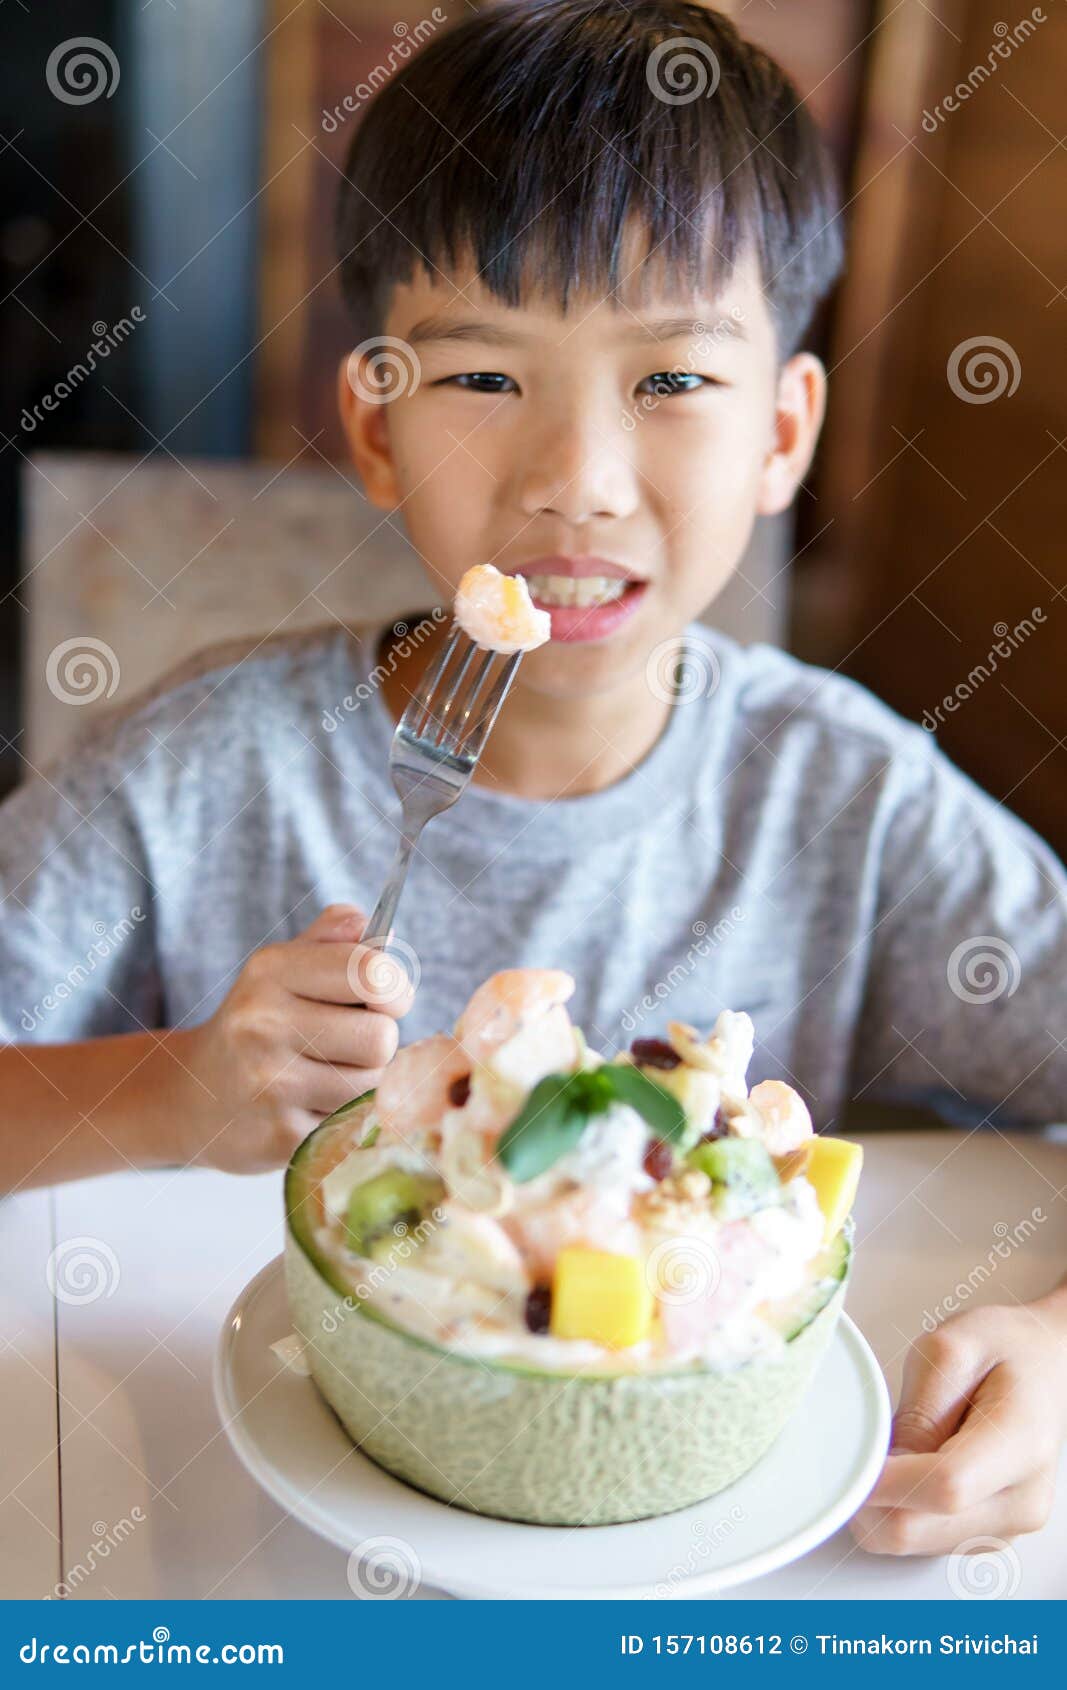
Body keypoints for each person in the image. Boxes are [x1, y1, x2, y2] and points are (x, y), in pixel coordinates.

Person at [1, 1, 1064, 1555]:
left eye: (672, 382)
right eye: (487, 379)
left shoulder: (850, 801)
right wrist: (160, 1088)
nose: (574, 478)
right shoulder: (194, 774)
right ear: (374, 425)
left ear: (782, 431)